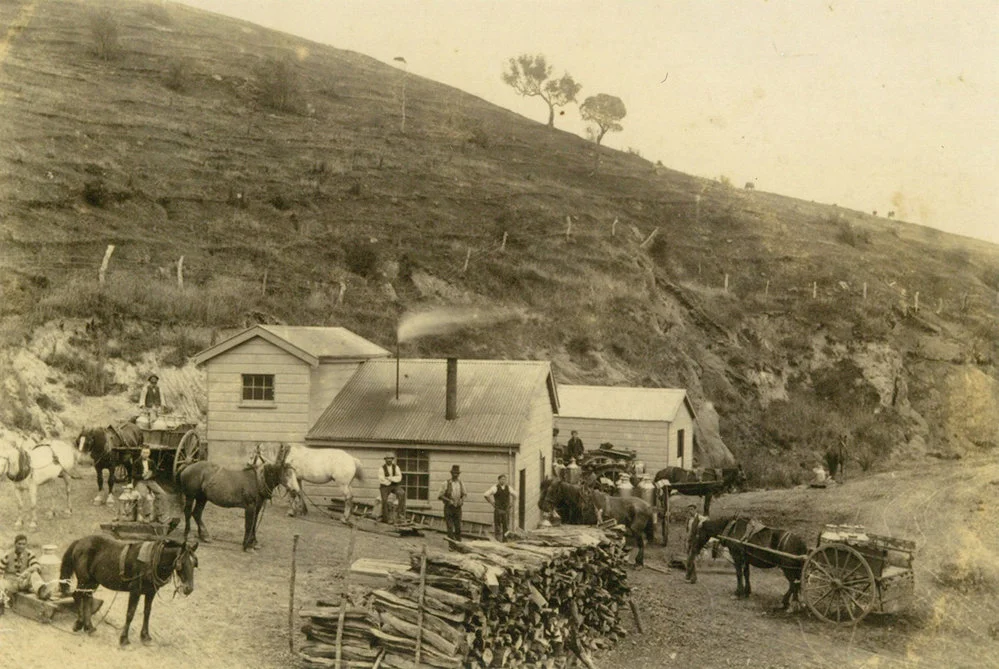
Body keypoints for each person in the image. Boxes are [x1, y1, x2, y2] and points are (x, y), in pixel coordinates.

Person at [0, 534, 50, 603]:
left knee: (34, 574)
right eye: (19, 544)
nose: (21, 546)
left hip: (23, 581)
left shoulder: (29, 553)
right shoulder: (7, 555)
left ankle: (42, 591)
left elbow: (37, 566)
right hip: (11, 583)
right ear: (15, 544)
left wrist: (26, 571)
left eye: (24, 544)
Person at [133, 447, 168, 523]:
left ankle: (161, 515)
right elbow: (133, 474)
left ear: (149, 454)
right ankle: (146, 516)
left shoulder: (151, 462)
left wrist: (150, 475)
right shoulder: (136, 462)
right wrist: (142, 475)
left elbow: (156, 473)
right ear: (141, 453)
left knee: (162, 494)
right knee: (144, 495)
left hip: (150, 481)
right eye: (144, 452)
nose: (145, 455)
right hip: (140, 481)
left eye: (147, 453)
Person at [483, 474, 517, 542]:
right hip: (498, 510)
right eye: (502, 479)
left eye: (504, 479)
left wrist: (512, 504)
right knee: (498, 526)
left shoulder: (509, 488)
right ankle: (498, 540)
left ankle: (505, 540)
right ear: (498, 480)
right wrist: (492, 503)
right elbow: (486, 495)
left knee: (506, 526)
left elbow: (515, 495)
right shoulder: (495, 487)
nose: (503, 481)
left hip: (506, 510)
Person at [438, 464, 466, 542]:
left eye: (457, 473)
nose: (455, 475)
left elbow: (464, 494)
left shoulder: (461, 483)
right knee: (450, 527)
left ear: (459, 474)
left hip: (458, 508)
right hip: (449, 508)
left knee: (458, 527)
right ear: (451, 473)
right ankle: (451, 545)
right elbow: (440, 496)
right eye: (454, 473)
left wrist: (462, 500)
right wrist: (448, 500)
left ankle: (459, 544)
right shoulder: (446, 483)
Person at [378, 454, 407, 523]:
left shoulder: (396, 467)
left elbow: (399, 477)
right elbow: (381, 479)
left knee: (402, 493)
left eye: (390, 459)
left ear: (392, 459)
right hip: (384, 486)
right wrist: (391, 480)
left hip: (394, 485)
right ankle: (386, 518)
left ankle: (399, 515)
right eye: (387, 459)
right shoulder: (381, 468)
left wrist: (390, 478)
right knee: (384, 500)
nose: (389, 460)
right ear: (385, 460)